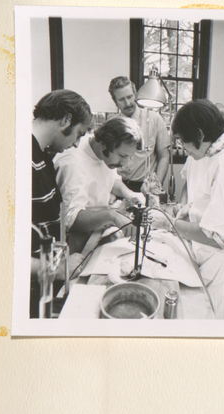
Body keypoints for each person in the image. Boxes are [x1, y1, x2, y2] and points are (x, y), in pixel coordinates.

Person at [151, 100, 224, 318]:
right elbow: (200, 194)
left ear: (199, 134)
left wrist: (169, 225)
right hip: (200, 251)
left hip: (222, 265)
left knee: (213, 318)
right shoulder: (204, 151)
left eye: (182, 141)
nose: (182, 149)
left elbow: (219, 237)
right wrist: (188, 208)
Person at [30, 90, 92, 316]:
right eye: (78, 134)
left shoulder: (42, 157)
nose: (76, 144)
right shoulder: (19, 157)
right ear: (66, 119)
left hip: (41, 288)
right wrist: (57, 268)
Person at [54, 116, 146, 248]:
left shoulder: (103, 153)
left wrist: (129, 194)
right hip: (76, 241)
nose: (125, 164)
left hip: (96, 231)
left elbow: (111, 180)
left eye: (129, 157)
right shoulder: (73, 163)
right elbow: (71, 219)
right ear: (104, 144)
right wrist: (111, 216)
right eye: (122, 156)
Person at [108, 75, 171, 193]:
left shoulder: (155, 119)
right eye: (121, 100)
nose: (127, 103)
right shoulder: (111, 125)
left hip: (145, 186)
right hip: (118, 187)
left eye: (129, 97)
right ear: (115, 101)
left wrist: (156, 185)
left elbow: (164, 156)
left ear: (135, 94)